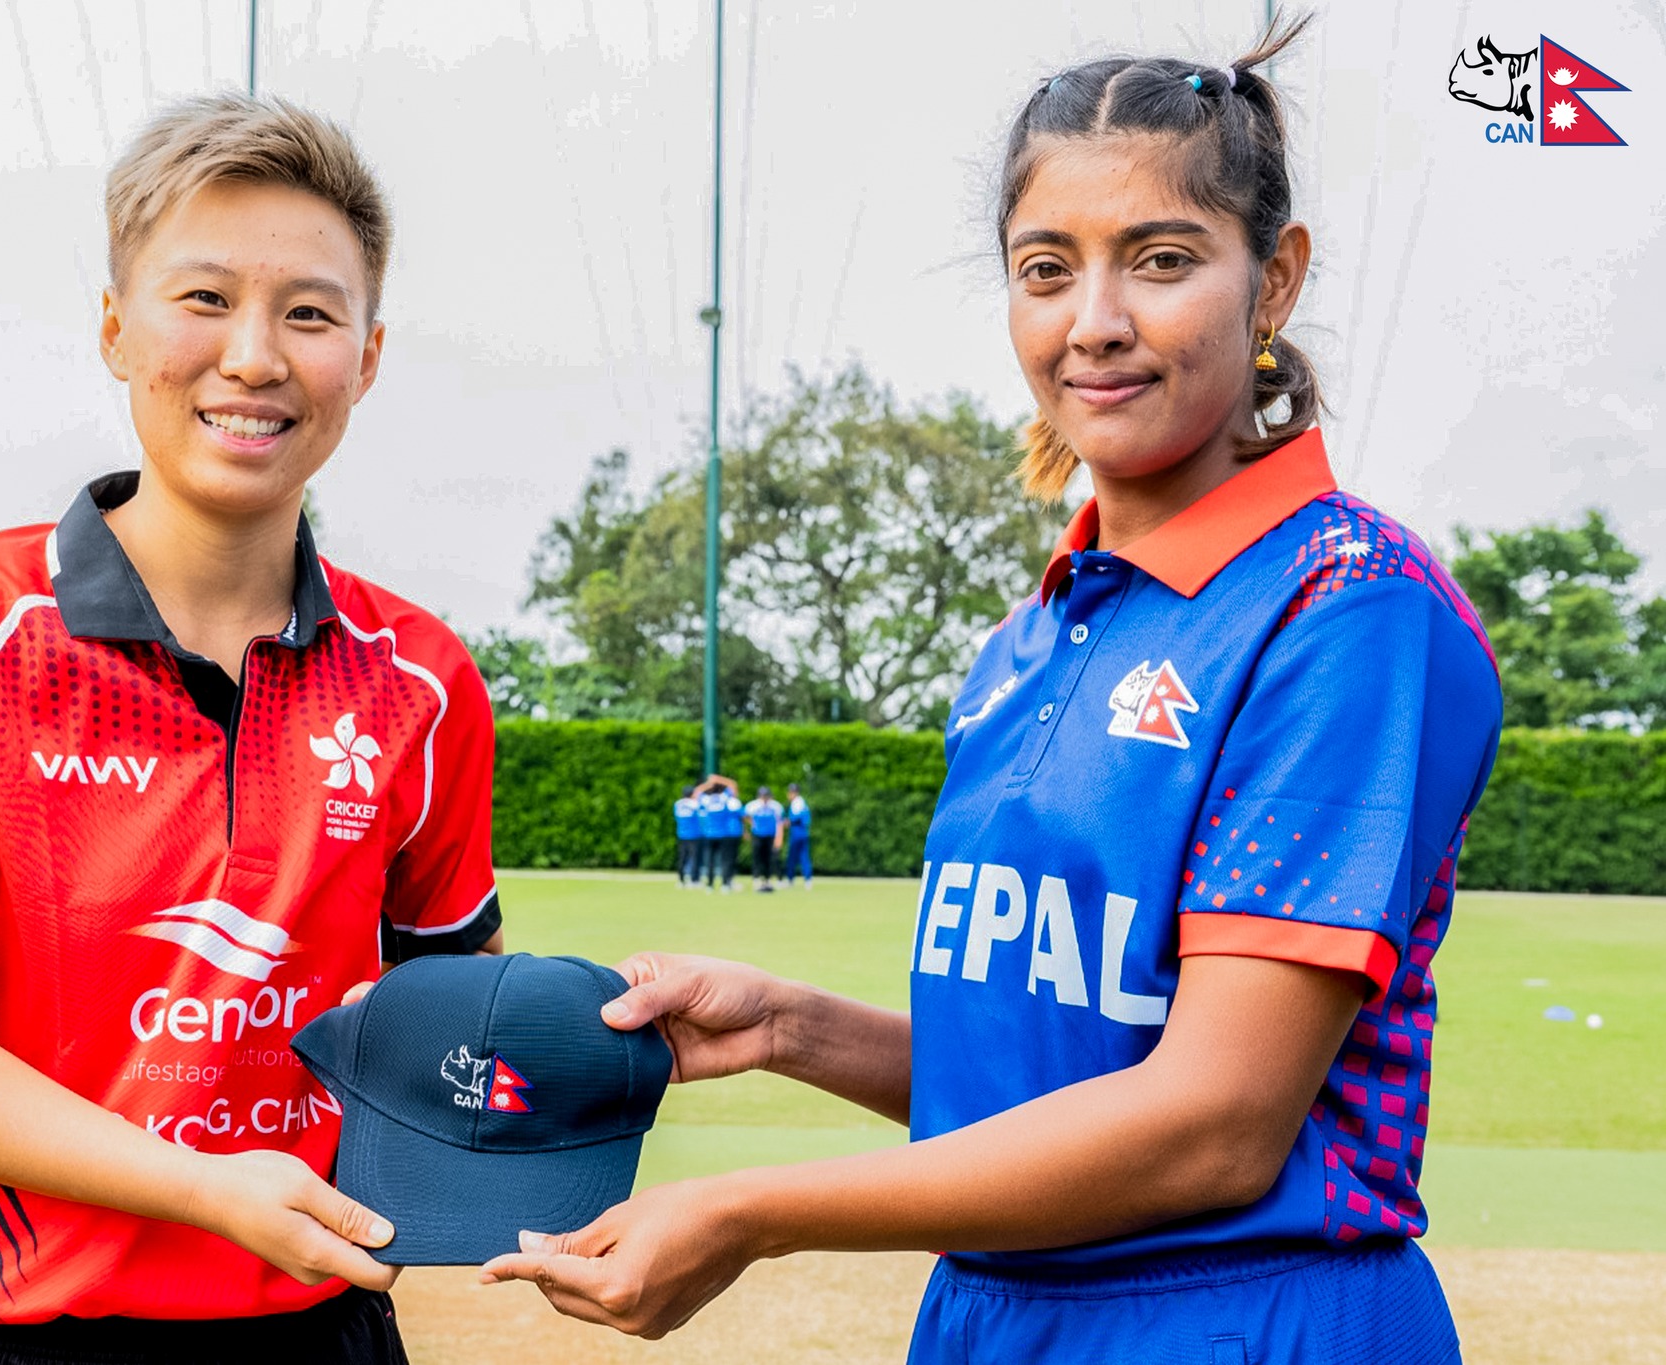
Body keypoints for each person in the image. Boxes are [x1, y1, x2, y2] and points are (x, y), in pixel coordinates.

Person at [484, 18, 1498, 1364]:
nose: (1096, 324)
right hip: (992, 1315)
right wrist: (787, 1024)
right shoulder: (1035, 630)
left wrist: (752, 1210)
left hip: (1241, 1323)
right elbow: (1045, 1079)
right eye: (1046, 269)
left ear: (1276, 280)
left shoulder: (1346, 608)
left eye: (1164, 259)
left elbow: (1212, 1123)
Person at [0, 94, 505, 1364]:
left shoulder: (422, 679)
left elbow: (435, 1023)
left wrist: (591, 1058)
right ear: (116, 330)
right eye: (202, 299)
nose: (255, 356)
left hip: (311, 1325)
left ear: (367, 358)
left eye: (310, 313)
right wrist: (198, 1186)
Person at [694, 775, 744, 892]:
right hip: (723, 834)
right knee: (724, 860)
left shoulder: (706, 800)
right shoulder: (724, 798)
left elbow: (696, 792)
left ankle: (710, 885)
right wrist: (719, 779)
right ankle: (725, 884)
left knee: (710, 861)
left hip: (709, 834)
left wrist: (708, 783)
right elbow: (733, 786)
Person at [743, 786, 785, 893]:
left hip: (771, 835)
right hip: (758, 835)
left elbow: (780, 822)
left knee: (770, 858)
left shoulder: (776, 806)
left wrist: (779, 837)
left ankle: (768, 879)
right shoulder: (753, 806)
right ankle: (756, 878)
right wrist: (750, 827)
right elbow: (745, 817)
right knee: (757, 857)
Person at [781, 782, 813, 887]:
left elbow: (795, 818)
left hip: (797, 833)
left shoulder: (797, 802)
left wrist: (787, 821)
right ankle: (808, 880)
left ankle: (790, 879)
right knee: (804, 856)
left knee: (793, 857)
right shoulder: (802, 802)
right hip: (803, 833)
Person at [672, 784, 703, 887]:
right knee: (695, 858)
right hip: (694, 834)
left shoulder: (678, 804)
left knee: (682, 858)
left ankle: (681, 880)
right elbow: (702, 814)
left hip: (682, 834)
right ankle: (694, 880)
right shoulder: (695, 804)